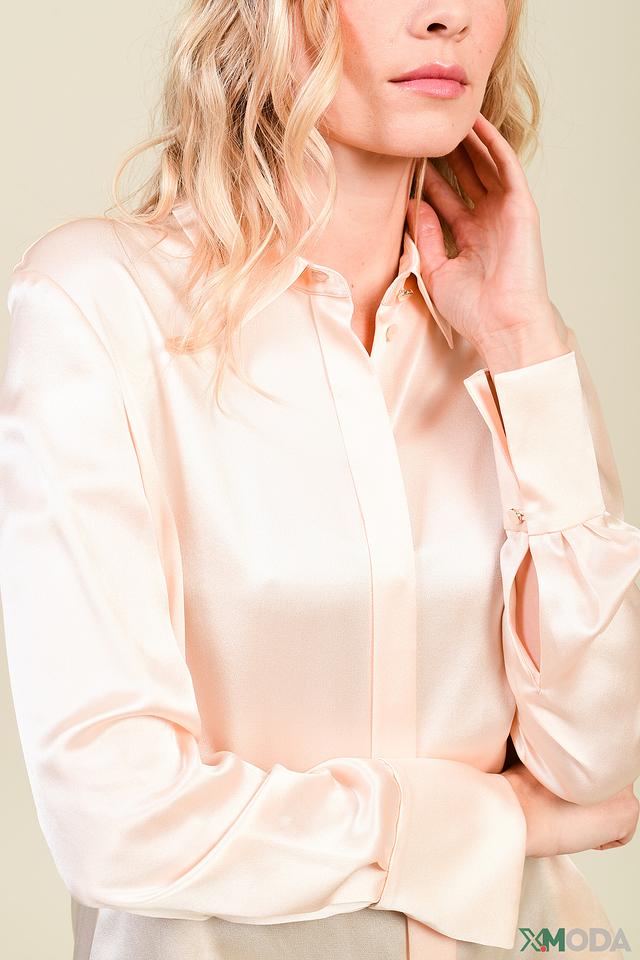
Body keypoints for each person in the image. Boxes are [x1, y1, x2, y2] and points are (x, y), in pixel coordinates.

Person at [1, 1, 639, 959]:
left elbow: (596, 765)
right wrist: (502, 819)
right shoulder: (99, 309)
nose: (446, 16)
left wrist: (522, 346)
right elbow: (117, 821)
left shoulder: (511, 338)